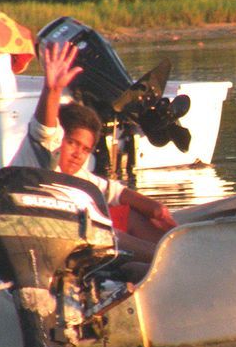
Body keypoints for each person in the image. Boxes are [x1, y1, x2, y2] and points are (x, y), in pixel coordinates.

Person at [12, 41, 176, 263]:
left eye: (85, 149)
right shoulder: (42, 154)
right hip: (29, 230)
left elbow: (113, 192)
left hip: (68, 244)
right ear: (60, 138)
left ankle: (177, 252)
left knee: (130, 214)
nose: (78, 154)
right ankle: (170, 260)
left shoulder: (80, 178)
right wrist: (52, 90)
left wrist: (156, 208)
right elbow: (45, 128)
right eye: (73, 143)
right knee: (105, 231)